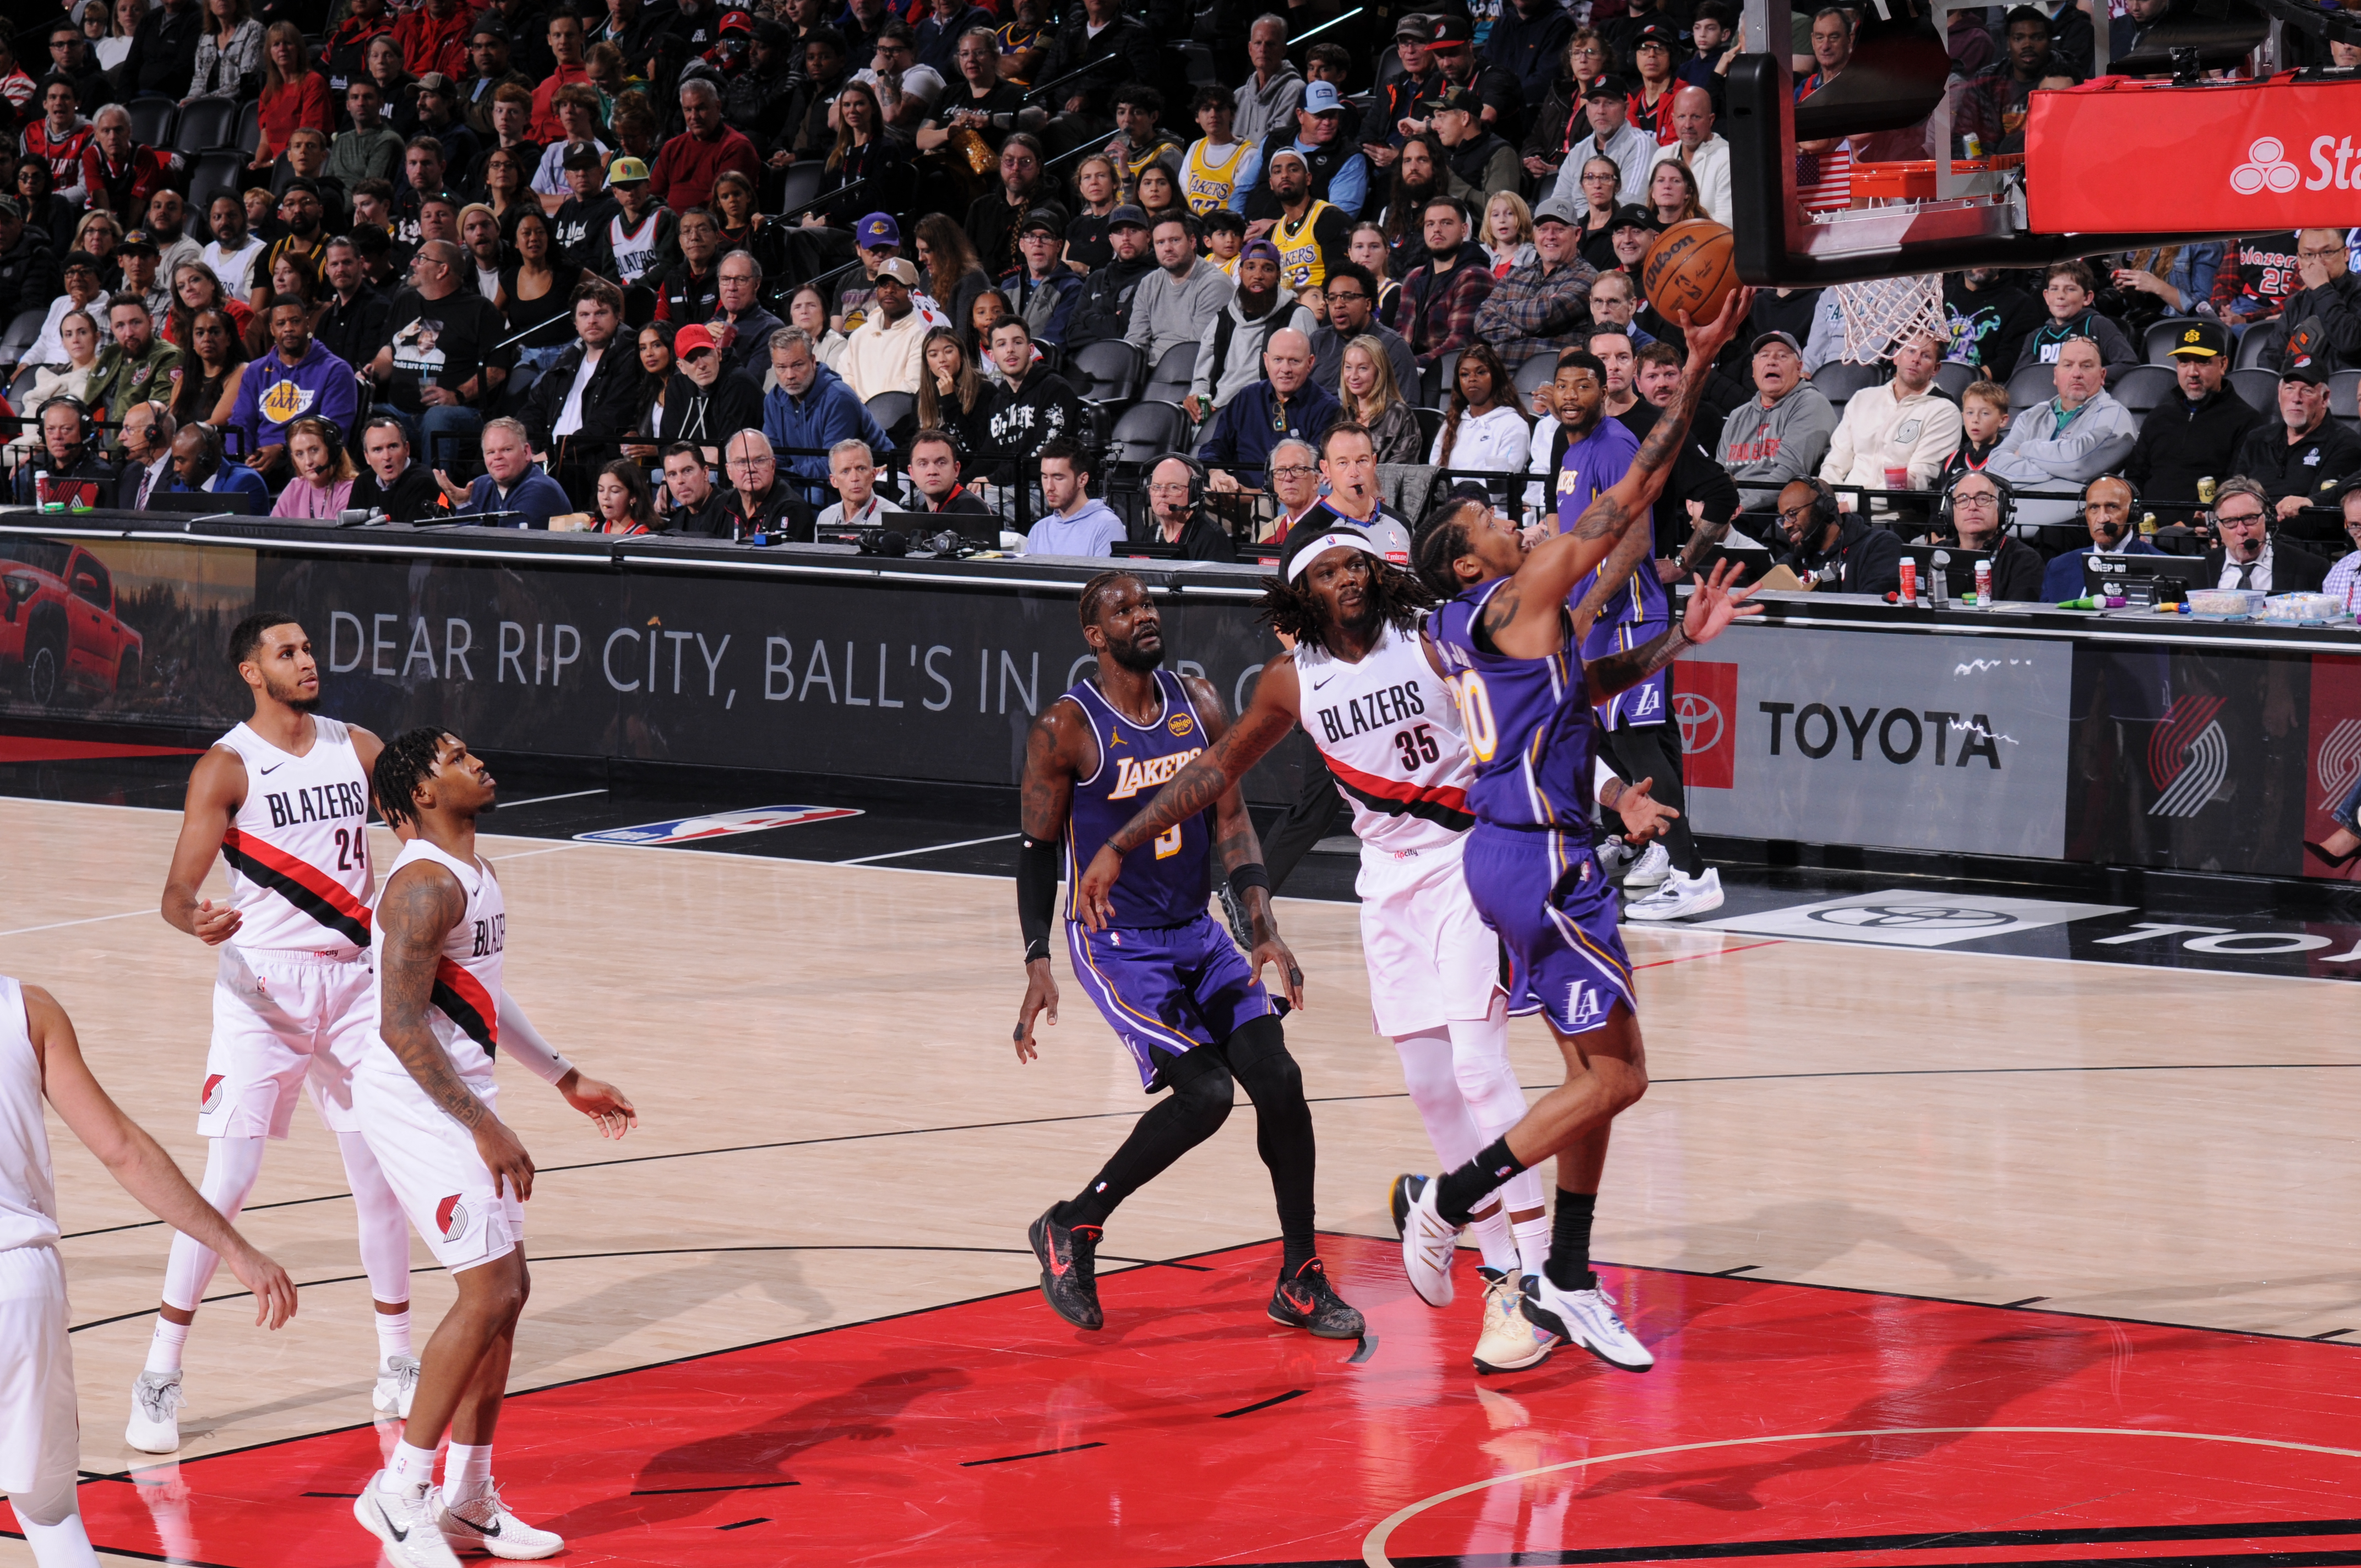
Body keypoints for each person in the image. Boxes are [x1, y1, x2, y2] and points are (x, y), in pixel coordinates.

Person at [1399, 287, 1753, 1364]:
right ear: (1466, 564)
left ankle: (1567, 1273)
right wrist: (1690, 367)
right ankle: (1447, 1194)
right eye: (1487, 527)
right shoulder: (1511, 598)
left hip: (1522, 849)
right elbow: (1634, 487)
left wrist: (1669, 642)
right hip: (1540, 859)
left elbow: (1582, 679)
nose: (1510, 524)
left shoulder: (1487, 623)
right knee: (1620, 1078)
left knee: (1596, 1075)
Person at [1013, 565, 1358, 1338]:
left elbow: (1231, 820)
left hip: (1198, 930)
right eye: (1123, 608)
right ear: (1094, 635)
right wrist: (1037, 957)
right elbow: (1037, 849)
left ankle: (1300, 1277)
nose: (1145, 614)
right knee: (1205, 1096)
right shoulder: (1065, 728)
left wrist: (1261, 925)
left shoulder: (1198, 702)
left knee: (1279, 1078)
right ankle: (1075, 1225)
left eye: (1148, 602)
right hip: (1118, 944)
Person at [351, 726, 636, 1566]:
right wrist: (482, 1125)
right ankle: (399, 1492)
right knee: (484, 1293)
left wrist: (564, 1078)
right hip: (414, 1103)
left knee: (509, 1293)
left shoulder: (479, 875)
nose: (476, 760)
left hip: (462, 1094)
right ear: (423, 795)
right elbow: (400, 1027)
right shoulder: (422, 887)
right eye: (455, 758)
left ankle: (469, 1500)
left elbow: (485, 998)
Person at [2, 972, 297, 1568]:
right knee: (50, 1512)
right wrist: (235, 1248)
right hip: (20, 1288)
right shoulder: (27, 1009)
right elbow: (123, 1150)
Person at [369, 238, 510, 469]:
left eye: (421, 258)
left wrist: (457, 396)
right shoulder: (405, 300)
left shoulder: (479, 310)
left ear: (442, 269)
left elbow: (496, 371)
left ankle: (438, 497)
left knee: (438, 417)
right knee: (366, 414)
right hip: (400, 412)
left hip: (459, 413)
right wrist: (372, 372)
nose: (413, 263)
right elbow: (389, 353)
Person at [1984, 337, 2138, 525]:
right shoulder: (2031, 416)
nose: (2077, 374)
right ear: (2056, 375)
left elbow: (2078, 462)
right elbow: (1996, 467)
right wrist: (2057, 470)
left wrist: (2026, 450)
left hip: (2076, 529)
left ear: (2103, 375)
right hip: (2014, 528)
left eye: (2087, 366)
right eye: (2068, 365)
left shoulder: (2114, 417)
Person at [225, 293, 356, 481]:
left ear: (307, 323)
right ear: (271, 329)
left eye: (295, 321)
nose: (288, 328)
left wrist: (283, 451)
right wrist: (242, 460)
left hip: (307, 465)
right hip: (257, 463)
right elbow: (241, 422)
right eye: (281, 324)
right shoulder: (256, 371)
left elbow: (333, 432)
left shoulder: (335, 370)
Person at [1818, 329, 1961, 494]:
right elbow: (1836, 461)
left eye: (1926, 356)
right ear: (1896, 356)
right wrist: (1828, 500)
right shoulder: (1863, 398)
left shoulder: (1944, 412)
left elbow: (1919, 477)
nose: (1916, 359)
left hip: (1895, 514)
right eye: (1911, 351)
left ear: (1936, 369)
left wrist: (1852, 505)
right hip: (1841, 505)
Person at [764, 324, 894, 505]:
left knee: (816, 496)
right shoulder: (774, 400)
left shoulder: (839, 398)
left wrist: (784, 475)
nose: (790, 375)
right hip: (804, 480)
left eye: (798, 365)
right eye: (781, 367)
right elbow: (774, 457)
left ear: (813, 361)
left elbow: (833, 466)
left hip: (868, 481)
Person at [1198, 326, 1340, 492]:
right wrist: (1217, 474)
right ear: (1266, 361)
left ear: (1310, 363)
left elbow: (1312, 472)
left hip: (1289, 505)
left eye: (1294, 361)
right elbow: (1214, 448)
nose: (1285, 369)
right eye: (1278, 360)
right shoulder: (1246, 398)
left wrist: (1252, 495)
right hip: (1234, 497)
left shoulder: (1326, 408)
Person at [1185, 239, 1313, 419]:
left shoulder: (1297, 316)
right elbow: (1202, 377)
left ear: (1278, 274)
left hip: (1269, 412)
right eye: (1251, 267)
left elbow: (1308, 377)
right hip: (1220, 411)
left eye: (1267, 268)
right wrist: (1197, 395)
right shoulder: (1224, 318)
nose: (1258, 275)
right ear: (1240, 272)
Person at [2229, 361, 2361, 517]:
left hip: (2298, 538)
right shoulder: (2257, 438)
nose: (2296, 399)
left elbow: (2316, 516)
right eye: (2290, 388)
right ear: (2279, 393)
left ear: (2325, 398)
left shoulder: (2345, 444)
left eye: (2307, 391)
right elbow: (2234, 492)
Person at [1716, 330, 1836, 492]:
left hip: (1777, 511)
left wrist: (1740, 507)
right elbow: (1720, 475)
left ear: (1799, 368)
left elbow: (1789, 475)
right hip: (1733, 510)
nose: (1771, 362)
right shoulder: (1738, 416)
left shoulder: (1812, 404)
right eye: (1764, 356)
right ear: (1753, 369)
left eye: (1782, 356)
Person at [1392, 197, 1494, 381]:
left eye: (1446, 223)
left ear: (1464, 230)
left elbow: (1462, 344)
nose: (1437, 230)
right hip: (1410, 376)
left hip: (1451, 379)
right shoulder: (1414, 278)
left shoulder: (1475, 276)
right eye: (1430, 224)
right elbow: (1399, 335)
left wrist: (1406, 364)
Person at [2038, 473, 2163, 598]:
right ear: (2084, 514)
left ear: (2133, 514)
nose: (2102, 519)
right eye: (2094, 508)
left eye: (2112, 507)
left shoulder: (2160, 566)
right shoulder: (2060, 566)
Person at [1769, 476, 1902, 594]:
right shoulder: (1793, 561)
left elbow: (1875, 606)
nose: (1786, 526)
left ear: (1825, 508)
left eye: (1792, 514)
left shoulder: (1879, 546)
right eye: (1783, 519)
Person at [2205, 474, 2332, 592]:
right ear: (2217, 527)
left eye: (2250, 518)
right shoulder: (2200, 567)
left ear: (2268, 520)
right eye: (2230, 521)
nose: (2242, 530)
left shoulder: (2311, 568)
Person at [657, 321, 761, 459]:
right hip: (690, 470)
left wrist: (682, 456)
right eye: (692, 359)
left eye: (706, 354)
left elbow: (731, 455)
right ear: (681, 366)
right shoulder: (677, 386)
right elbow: (665, 449)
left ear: (718, 353)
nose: (701, 365)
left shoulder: (739, 385)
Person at [1061, 203, 1155, 351]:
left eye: (1133, 230)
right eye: (1119, 232)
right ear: (1111, 239)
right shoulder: (1097, 278)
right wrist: (1111, 322)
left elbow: (1123, 331)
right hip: (1086, 364)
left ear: (1148, 236)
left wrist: (1086, 317)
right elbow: (1072, 334)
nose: (1125, 238)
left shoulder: (1154, 279)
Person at [86, 292, 184, 425]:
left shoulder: (169, 356)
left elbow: (158, 416)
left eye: (136, 323)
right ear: (112, 329)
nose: (129, 333)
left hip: (138, 443)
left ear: (151, 322)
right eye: (120, 326)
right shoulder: (111, 353)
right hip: (98, 442)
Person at [838, 254, 926, 399]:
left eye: (899, 284)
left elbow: (913, 387)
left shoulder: (922, 332)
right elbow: (845, 384)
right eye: (884, 284)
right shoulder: (859, 336)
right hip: (861, 417)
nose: (890, 290)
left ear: (915, 293)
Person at [1431, 341, 1527, 472]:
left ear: (1496, 376)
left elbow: (1503, 479)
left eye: (1481, 372)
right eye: (1465, 374)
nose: (1472, 379)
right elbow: (1434, 471)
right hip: (1450, 492)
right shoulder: (1451, 423)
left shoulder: (1513, 424)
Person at [1001, 210, 1086, 352]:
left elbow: (1055, 341)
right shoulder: (1008, 286)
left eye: (1046, 237)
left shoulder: (1072, 288)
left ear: (1059, 246)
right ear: (1022, 245)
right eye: (1031, 237)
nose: (1038, 243)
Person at [1022, 437, 1124, 553]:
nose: (1049, 487)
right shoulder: (1039, 530)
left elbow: (1108, 572)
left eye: (1058, 478)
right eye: (1045, 477)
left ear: (1082, 480)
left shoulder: (1107, 526)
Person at [1648, 85, 1730, 228]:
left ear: (1711, 120)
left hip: (1708, 245)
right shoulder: (1662, 156)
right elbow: (1650, 209)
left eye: (1696, 117)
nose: (1687, 125)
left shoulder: (1726, 158)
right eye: (1682, 117)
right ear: (1673, 120)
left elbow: (1726, 223)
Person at [1337, 332, 1421, 464]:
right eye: (1348, 367)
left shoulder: (1400, 416)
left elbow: (1399, 472)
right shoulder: (1344, 415)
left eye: (1363, 368)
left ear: (1379, 371)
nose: (1353, 376)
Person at [12, 398, 115, 504]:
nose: (57, 436)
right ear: (42, 433)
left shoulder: (101, 476)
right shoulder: (39, 476)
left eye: (66, 429)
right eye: (51, 429)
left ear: (84, 432)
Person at [721, 427, 815, 540]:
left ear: (772, 466)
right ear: (729, 471)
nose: (751, 469)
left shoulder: (793, 510)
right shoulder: (720, 505)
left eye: (759, 461)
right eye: (742, 462)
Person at [1180, 84, 1259, 218]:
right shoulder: (1195, 147)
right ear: (1197, 118)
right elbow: (1184, 193)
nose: (1213, 115)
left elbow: (1241, 204)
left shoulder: (1248, 154)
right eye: (1206, 109)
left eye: (1220, 109)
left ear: (1233, 115)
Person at [348, 414, 445, 518]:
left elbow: (413, 534)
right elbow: (350, 532)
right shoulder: (363, 483)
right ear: (367, 457)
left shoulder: (423, 483)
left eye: (393, 447)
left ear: (406, 449)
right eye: (377, 449)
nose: (386, 457)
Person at [1140, 453, 1234, 559]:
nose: (1162, 494)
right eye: (1157, 487)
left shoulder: (1211, 539)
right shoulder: (1150, 534)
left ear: (1194, 492)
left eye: (1173, 487)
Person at [1233, 13, 1302, 149]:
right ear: (1250, 49)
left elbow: (1276, 143)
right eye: (1258, 43)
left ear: (1283, 50)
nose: (1263, 50)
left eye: (1270, 44)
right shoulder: (1239, 95)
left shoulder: (1294, 90)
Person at [268, 417, 355, 520]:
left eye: (314, 450)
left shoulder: (349, 489)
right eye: (299, 454)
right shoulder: (294, 488)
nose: (308, 462)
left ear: (333, 450)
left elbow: (340, 535)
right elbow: (273, 532)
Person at [813, 436, 900, 530]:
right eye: (845, 471)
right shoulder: (825, 518)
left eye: (861, 469)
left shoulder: (894, 520)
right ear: (834, 481)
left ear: (873, 475)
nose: (855, 478)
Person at [654, 438, 731, 533]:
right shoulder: (675, 525)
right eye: (672, 474)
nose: (680, 481)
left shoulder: (731, 511)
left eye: (687, 471)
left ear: (705, 473)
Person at [592, 455, 657, 531]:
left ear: (633, 497)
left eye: (615, 491)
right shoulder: (593, 526)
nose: (605, 497)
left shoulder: (642, 534)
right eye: (601, 490)